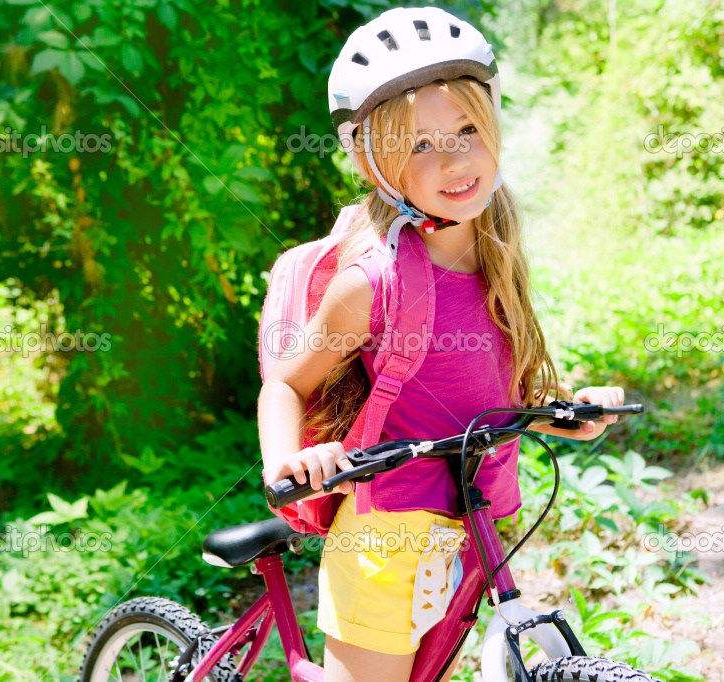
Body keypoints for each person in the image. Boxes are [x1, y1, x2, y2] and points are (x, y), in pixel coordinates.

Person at [258, 7, 625, 681]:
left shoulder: (495, 248)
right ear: (375, 163)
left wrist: (564, 410)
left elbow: (487, 396)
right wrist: (285, 463)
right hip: (383, 548)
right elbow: (286, 382)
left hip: (467, 533)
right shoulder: (375, 281)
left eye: (465, 130)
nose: (455, 159)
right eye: (421, 145)